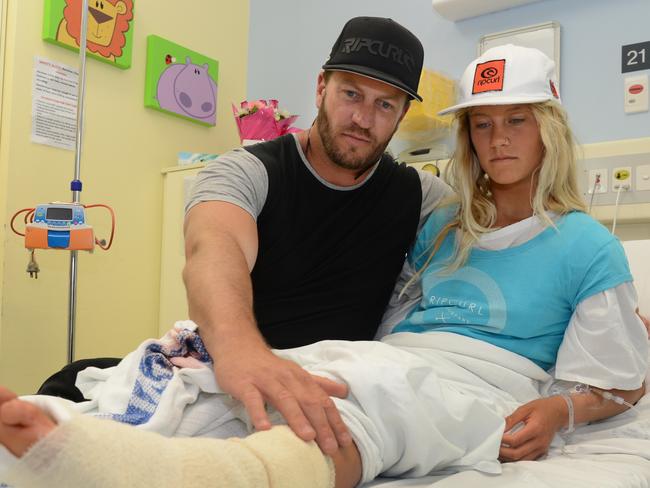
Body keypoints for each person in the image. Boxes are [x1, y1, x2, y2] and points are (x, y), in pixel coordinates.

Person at [4, 45, 647, 488]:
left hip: (483, 384)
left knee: (383, 401)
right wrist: (245, 353)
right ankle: (67, 438)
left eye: (517, 121)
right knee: (279, 380)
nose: (498, 139)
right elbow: (213, 247)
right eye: (481, 125)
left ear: (550, 130)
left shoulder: (587, 246)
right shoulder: (445, 223)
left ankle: (207, 476)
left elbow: (621, 373)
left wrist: (565, 410)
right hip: (387, 356)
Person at [36, 16, 451, 454]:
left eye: (385, 105)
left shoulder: (421, 197)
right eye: (350, 93)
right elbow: (214, 246)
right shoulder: (250, 171)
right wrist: (241, 349)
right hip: (229, 364)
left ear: (402, 114)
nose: (363, 118)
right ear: (321, 87)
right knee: (69, 387)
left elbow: (506, 242)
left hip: (336, 385)